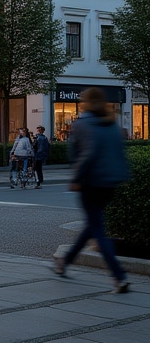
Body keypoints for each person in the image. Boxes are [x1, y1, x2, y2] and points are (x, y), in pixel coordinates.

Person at [53, 88, 130, 293]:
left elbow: (83, 155)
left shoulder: (82, 125)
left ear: (85, 103)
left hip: (90, 182)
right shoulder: (112, 123)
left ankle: (119, 275)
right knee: (93, 224)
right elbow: (120, 153)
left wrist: (76, 178)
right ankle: (64, 262)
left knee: (97, 230)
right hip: (110, 182)